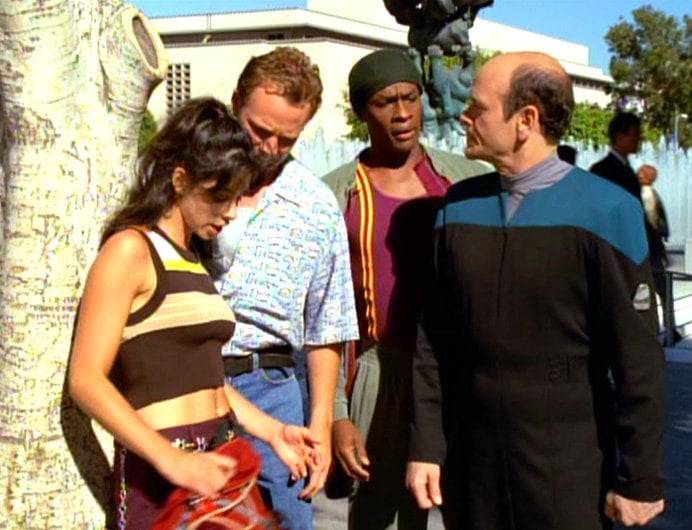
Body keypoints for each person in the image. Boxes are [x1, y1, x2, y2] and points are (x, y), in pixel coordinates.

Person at [406, 52, 665, 529]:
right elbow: (433, 341)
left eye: (478, 107)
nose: (464, 116)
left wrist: (639, 480)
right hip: (472, 468)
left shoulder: (606, 210)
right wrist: (426, 446)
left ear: (525, 120)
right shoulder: (457, 207)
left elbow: (639, 361)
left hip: (569, 465)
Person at [68, 98, 319, 530]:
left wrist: (273, 432)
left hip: (214, 463)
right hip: (161, 473)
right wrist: (170, 459)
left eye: (237, 197)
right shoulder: (131, 250)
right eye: (220, 196)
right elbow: (86, 380)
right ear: (180, 179)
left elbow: (208, 381)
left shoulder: (192, 260)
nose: (231, 212)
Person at [322, 48, 486, 530]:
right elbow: (323, 312)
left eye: (410, 98)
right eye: (385, 102)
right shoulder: (336, 194)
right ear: (361, 111)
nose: (401, 113)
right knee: (379, 514)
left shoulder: (466, 180)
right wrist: (336, 412)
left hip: (460, 372)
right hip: (381, 373)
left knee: (474, 505)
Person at [209, 47, 359, 529]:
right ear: (236, 102)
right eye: (259, 130)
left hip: (270, 387)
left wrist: (320, 424)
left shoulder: (315, 205)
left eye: (286, 138)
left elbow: (326, 326)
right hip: (188, 380)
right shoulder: (189, 183)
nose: (269, 147)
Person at [590, 112, 642, 199]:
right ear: (619, 137)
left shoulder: (626, 168)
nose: (639, 139)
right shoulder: (602, 171)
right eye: (635, 134)